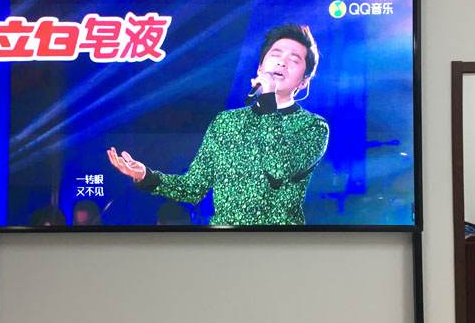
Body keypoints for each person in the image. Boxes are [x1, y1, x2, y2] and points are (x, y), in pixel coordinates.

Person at [107, 23, 329, 226]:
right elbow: (193, 188)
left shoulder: (312, 126)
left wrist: (268, 98)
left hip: (279, 245)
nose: (282, 62)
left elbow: (278, 170)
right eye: (276, 54)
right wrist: (146, 175)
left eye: (294, 60)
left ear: (304, 81)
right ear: (260, 67)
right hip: (223, 242)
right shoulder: (226, 122)